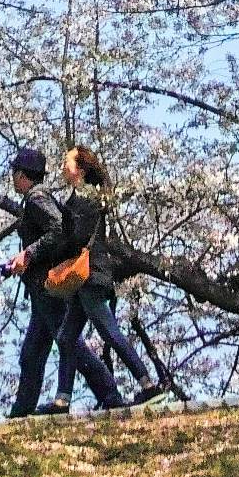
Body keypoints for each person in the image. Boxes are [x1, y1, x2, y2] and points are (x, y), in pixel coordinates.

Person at [0, 145, 126, 417]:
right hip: (41, 289)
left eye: (14, 173)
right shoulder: (36, 198)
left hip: (48, 289)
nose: (12, 178)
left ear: (22, 175)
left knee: (70, 343)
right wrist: (20, 262)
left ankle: (110, 394)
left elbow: (58, 229)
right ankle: (20, 413)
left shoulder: (36, 199)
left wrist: (29, 254)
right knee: (33, 353)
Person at [64, 144, 179, 407]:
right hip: (85, 277)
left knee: (109, 331)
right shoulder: (82, 198)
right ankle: (63, 399)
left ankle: (148, 386)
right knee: (67, 337)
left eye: (67, 162)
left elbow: (78, 237)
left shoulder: (86, 199)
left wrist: (57, 245)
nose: (63, 166)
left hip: (89, 275)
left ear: (79, 170)